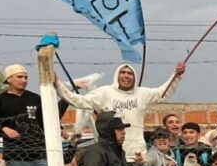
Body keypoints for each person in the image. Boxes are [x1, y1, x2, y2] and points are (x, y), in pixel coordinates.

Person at [53, 62, 186, 160]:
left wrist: (176, 75)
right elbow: (79, 101)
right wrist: (59, 85)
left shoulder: (142, 93)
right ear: (117, 75)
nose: (126, 76)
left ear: (134, 77)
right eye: (123, 72)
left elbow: (163, 92)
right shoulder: (105, 92)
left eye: (130, 73)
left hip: (137, 156)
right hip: (112, 156)